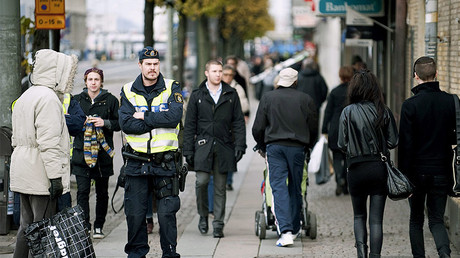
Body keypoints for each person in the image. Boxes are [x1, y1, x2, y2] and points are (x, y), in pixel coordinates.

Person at [10, 49, 78, 258]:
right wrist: (55, 177)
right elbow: (48, 144)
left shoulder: (26, 96)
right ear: (57, 72)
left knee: (26, 226)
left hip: (23, 169)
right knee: (43, 229)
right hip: (41, 172)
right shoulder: (48, 99)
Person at [119, 47, 183, 257]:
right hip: (137, 162)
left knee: (166, 215)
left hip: (165, 162)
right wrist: (156, 118)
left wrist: (143, 116)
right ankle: (136, 254)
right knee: (135, 216)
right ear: (140, 65)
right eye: (148, 64)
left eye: (155, 64)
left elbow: (173, 118)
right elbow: (127, 125)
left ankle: (169, 253)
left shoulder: (172, 87)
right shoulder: (128, 90)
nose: (152, 68)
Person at [252, 68, 318, 247]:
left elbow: (258, 127)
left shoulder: (268, 98)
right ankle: (295, 227)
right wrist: (308, 146)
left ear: (279, 80)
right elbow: (313, 127)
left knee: (278, 187)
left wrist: (261, 145)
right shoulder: (306, 100)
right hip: (297, 148)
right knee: (296, 188)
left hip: (275, 148)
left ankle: (286, 231)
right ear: (296, 82)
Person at [398, 56, 455, 258]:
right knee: (437, 220)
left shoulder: (410, 105)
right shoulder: (451, 102)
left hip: (416, 173)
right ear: (436, 74)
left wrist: (404, 179)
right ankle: (444, 254)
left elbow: (405, 146)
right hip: (442, 171)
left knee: (416, 220)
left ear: (415, 76)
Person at [338, 70, 398, 258]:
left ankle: (361, 254)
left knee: (358, 216)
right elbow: (393, 141)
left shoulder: (347, 112)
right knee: (376, 220)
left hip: (356, 168)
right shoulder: (383, 110)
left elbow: (341, 143)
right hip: (378, 168)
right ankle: (375, 256)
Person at [183, 59, 246, 238]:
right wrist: (187, 150)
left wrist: (240, 145)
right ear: (206, 73)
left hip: (224, 146)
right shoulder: (197, 94)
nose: (218, 74)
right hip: (202, 146)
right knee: (201, 182)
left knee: (220, 187)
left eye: (220, 71)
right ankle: (203, 215)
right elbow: (189, 125)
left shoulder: (231, 94)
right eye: (215, 71)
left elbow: (238, 122)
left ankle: (218, 224)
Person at [72, 67, 120, 239]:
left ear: (101, 82)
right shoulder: (76, 100)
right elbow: (69, 124)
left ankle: (99, 225)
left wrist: (104, 122)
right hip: (81, 155)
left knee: (102, 192)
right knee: (82, 192)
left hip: (102, 155)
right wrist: (82, 123)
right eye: (90, 79)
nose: (93, 83)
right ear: (85, 82)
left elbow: (119, 123)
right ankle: (84, 226)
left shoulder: (111, 100)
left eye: (96, 80)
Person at [321, 66, 354, 196]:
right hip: (350, 126)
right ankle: (345, 183)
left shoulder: (334, 92)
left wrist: (324, 128)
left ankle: (339, 178)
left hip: (336, 127)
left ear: (340, 76)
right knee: (348, 156)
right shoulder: (354, 92)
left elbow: (328, 111)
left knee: (336, 155)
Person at [58, 93, 86, 211]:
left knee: (63, 195)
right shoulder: (30, 96)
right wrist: (66, 118)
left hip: (64, 159)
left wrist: (61, 118)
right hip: (40, 159)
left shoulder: (67, 98)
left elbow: (79, 122)